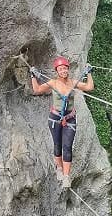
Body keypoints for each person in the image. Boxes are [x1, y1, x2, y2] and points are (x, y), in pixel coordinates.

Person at [30, 57, 94, 189]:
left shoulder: (73, 82)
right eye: (61, 69)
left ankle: (66, 176)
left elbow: (89, 87)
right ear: (57, 71)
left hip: (69, 118)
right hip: (55, 118)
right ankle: (59, 168)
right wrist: (33, 76)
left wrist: (89, 73)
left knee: (67, 147)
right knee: (57, 146)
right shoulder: (53, 83)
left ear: (68, 69)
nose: (64, 70)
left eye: (65, 68)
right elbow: (37, 90)